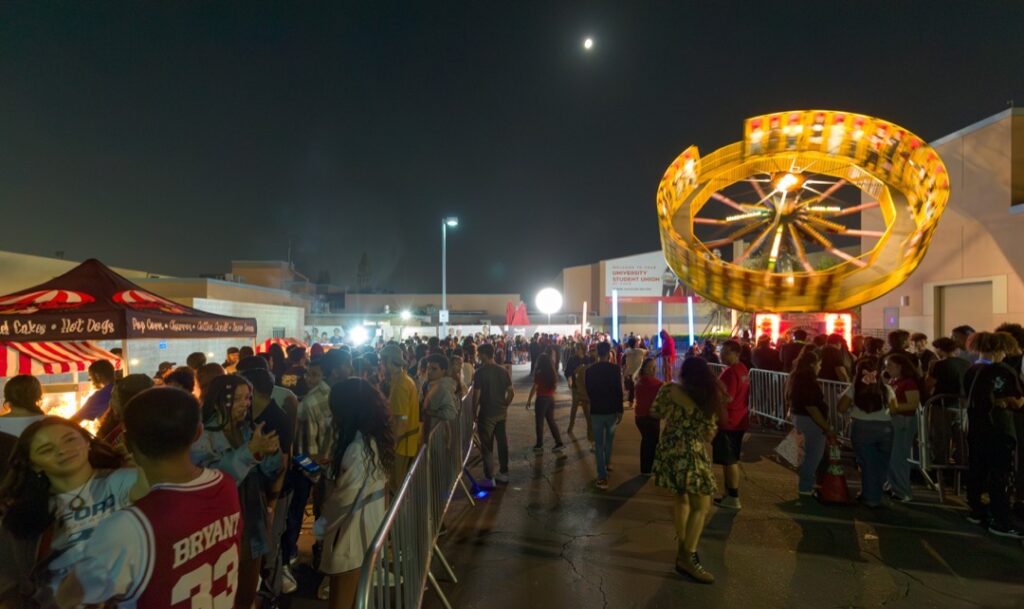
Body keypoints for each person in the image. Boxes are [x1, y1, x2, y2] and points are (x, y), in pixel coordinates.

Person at [54, 387, 242, 609]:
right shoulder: (226, 485)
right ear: (198, 433)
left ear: (125, 440)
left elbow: (67, 598)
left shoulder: (128, 526)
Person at [0, 417, 144, 606]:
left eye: (70, 439)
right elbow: (10, 583)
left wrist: (143, 458)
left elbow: (152, 486)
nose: (62, 450)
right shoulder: (21, 513)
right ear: (34, 464)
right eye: (46, 449)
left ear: (87, 442)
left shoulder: (119, 481)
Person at [190, 375, 281, 609]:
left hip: (252, 521)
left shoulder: (248, 430)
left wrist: (270, 454)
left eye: (248, 397)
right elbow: (214, 480)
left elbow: (268, 474)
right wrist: (250, 452)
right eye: (238, 398)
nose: (245, 403)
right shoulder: (202, 435)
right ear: (221, 399)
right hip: (219, 526)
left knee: (247, 590)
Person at [318, 378, 393, 609]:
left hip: (350, 537)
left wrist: (320, 524)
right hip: (366, 532)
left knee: (342, 601)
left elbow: (342, 501)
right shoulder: (372, 441)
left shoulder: (356, 449)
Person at [651, 358, 724, 583]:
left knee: (682, 499)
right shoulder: (708, 399)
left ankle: (683, 548)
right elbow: (708, 435)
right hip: (690, 452)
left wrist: (676, 415)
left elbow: (655, 412)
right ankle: (688, 557)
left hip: (669, 448)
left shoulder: (668, 389)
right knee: (702, 504)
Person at [962, 332, 1024, 538]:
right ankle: (1000, 520)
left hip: (976, 427)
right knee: (1000, 474)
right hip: (999, 428)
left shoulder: (971, 369)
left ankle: (976, 510)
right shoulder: (1003, 371)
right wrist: (1009, 402)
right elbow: (1017, 400)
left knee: (977, 469)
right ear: (1000, 349)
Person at [837, 357, 895, 507]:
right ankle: (875, 494)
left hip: (862, 428)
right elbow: (894, 408)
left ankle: (870, 497)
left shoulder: (855, 388)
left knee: (867, 464)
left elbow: (841, 408)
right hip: (885, 428)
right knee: (881, 463)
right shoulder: (886, 388)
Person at [786, 349, 834, 497]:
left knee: (805, 454)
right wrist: (826, 427)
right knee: (813, 456)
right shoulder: (808, 382)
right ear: (812, 364)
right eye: (819, 364)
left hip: (800, 418)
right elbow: (812, 408)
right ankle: (805, 487)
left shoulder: (796, 378)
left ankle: (806, 484)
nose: (820, 367)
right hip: (810, 422)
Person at [712, 340, 749, 509]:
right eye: (722, 350)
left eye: (726, 351)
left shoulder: (731, 373)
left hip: (729, 421)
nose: (722, 354)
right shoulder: (742, 370)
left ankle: (733, 496)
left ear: (736, 353)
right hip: (739, 419)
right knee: (729, 459)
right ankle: (728, 494)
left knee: (730, 460)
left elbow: (727, 398)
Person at [472, 344, 514, 487]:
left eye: (479, 353)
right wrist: (505, 405)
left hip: (487, 414)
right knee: (502, 443)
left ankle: (489, 477)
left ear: (484, 354)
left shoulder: (479, 373)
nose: (478, 356)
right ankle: (504, 473)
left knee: (487, 446)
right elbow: (511, 392)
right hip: (501, 413)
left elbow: (476, 396)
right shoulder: (503, 371)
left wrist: (473, 413)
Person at [380, 344, 420, 490]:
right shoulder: (402, 380)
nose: (381, 365)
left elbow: (401, 420)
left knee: (396, 488)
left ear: (389, 362)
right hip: (405, 442)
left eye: (382, 361)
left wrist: (392, 444)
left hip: (401, 445)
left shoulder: (401, 384)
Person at [584, 342, 624, 489]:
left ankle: (602, 476)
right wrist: (620, 410)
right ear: (609, 353)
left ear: (596, 353)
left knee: (599, 444)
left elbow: (589, 391)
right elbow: (618, 391)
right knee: (609, 440)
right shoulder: (615, 369)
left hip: (596, 410)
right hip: (611, 411)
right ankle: (607, 464)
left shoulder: (590, 371)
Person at [884, 353, 922, 502]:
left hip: (904, 421)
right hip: (896, 420)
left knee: (898, 456)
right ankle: (892, 485)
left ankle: (902, 490)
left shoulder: (908, 383)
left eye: (890, 365)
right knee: (892, 455)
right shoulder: (894, 381)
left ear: (900, 367)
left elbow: (913, 404)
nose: (886, 368)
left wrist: (894, 408)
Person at [96, 373, 155, 448]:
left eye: (115, 397)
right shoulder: (120, 427)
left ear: (128, 401)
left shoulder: (138, 438)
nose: (110, 402)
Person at [525, 353, 565, 454]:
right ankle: (559, 442)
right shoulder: (552, 372)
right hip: (550, 399)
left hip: (541, 399)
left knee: (539, 422)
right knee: (551, 421)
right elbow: (555, 386)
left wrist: (529, 399)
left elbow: (535, 387)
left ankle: (539, 444)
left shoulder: (539, 373)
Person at [634, 358, 663, 476]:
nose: (654, 369)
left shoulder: (639, 381)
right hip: (650, 417)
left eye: (654, 366)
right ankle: (647, 469)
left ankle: (647, 467)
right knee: (651, 442)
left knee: (647, 441)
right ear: (644, 369)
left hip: (640, 416)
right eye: (651, 367)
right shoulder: (654, 383)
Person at [423, 353, 459, 431]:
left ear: (443, 371)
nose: (429, 371)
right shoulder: (433, 384)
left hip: (438, 433)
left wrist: (430, 412)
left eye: (434, 369)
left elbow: (451, 413)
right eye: (428, 368)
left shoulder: (442, 388)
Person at [622, 337, 647, 409]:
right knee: (640, 387)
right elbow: (647, 352)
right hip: (638, 372)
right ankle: (640, 402)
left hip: (630, 372)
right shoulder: (640, 351)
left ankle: (631, 402)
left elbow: (624, 360)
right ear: (636, 343)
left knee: (632, 388)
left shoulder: (627, 351)